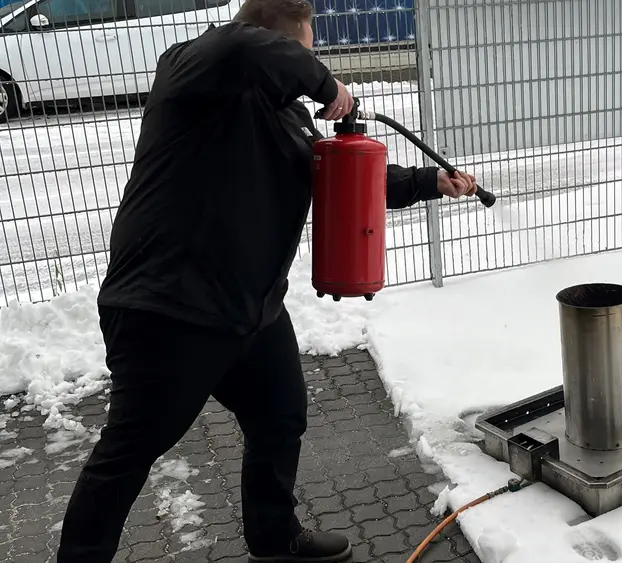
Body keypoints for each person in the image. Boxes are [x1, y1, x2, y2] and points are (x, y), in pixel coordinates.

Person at [55, 0, 479, 561]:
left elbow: (340, 175)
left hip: (250, 309)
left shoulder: (284, 113)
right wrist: (327, 85)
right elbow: (240, 44)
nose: (303, 66)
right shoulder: (195, 68)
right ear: (278, 40)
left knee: (279, 417)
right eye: (304, 50)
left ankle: (274, 538)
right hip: (170, 310)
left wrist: (429, 182)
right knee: (130, 452)